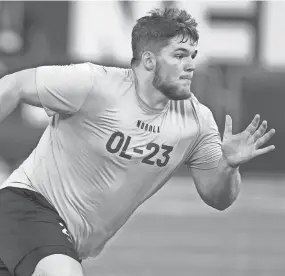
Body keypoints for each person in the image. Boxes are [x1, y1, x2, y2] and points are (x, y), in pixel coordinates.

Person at [0, 7, 275, 276]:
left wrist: (228, 166)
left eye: (192, 55)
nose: (190, 64)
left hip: (67, 242)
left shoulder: (196, 121)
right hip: (27, 206)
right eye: (179, 55)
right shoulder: (95, 85)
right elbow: (14, 85)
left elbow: (218, 198)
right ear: (149, 60)